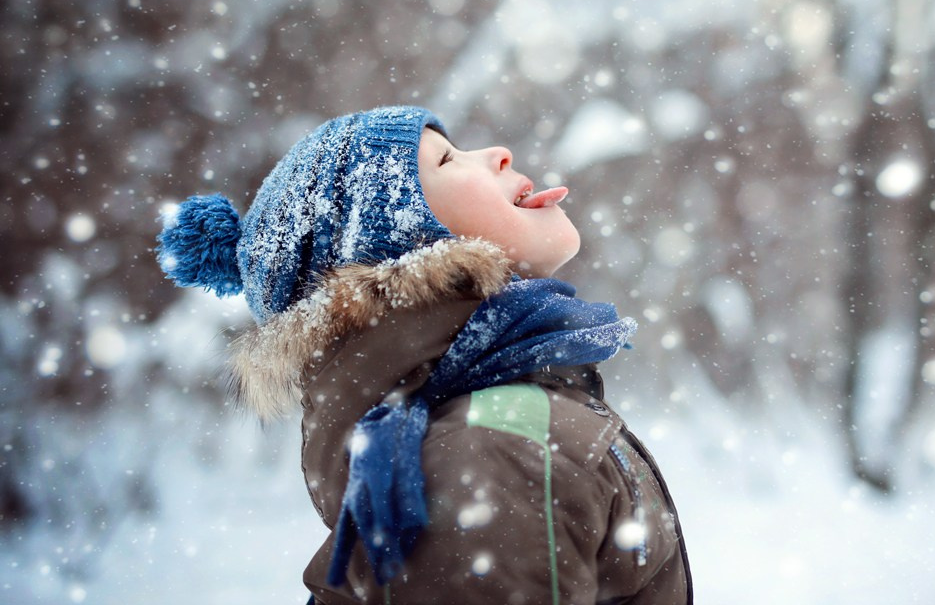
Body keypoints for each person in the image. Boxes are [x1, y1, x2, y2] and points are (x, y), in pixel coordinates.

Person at [155, 105, 691, 605]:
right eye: (445, 159)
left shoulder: (483, 428)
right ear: (403, 248)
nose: (499, 153)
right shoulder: (489, 452)